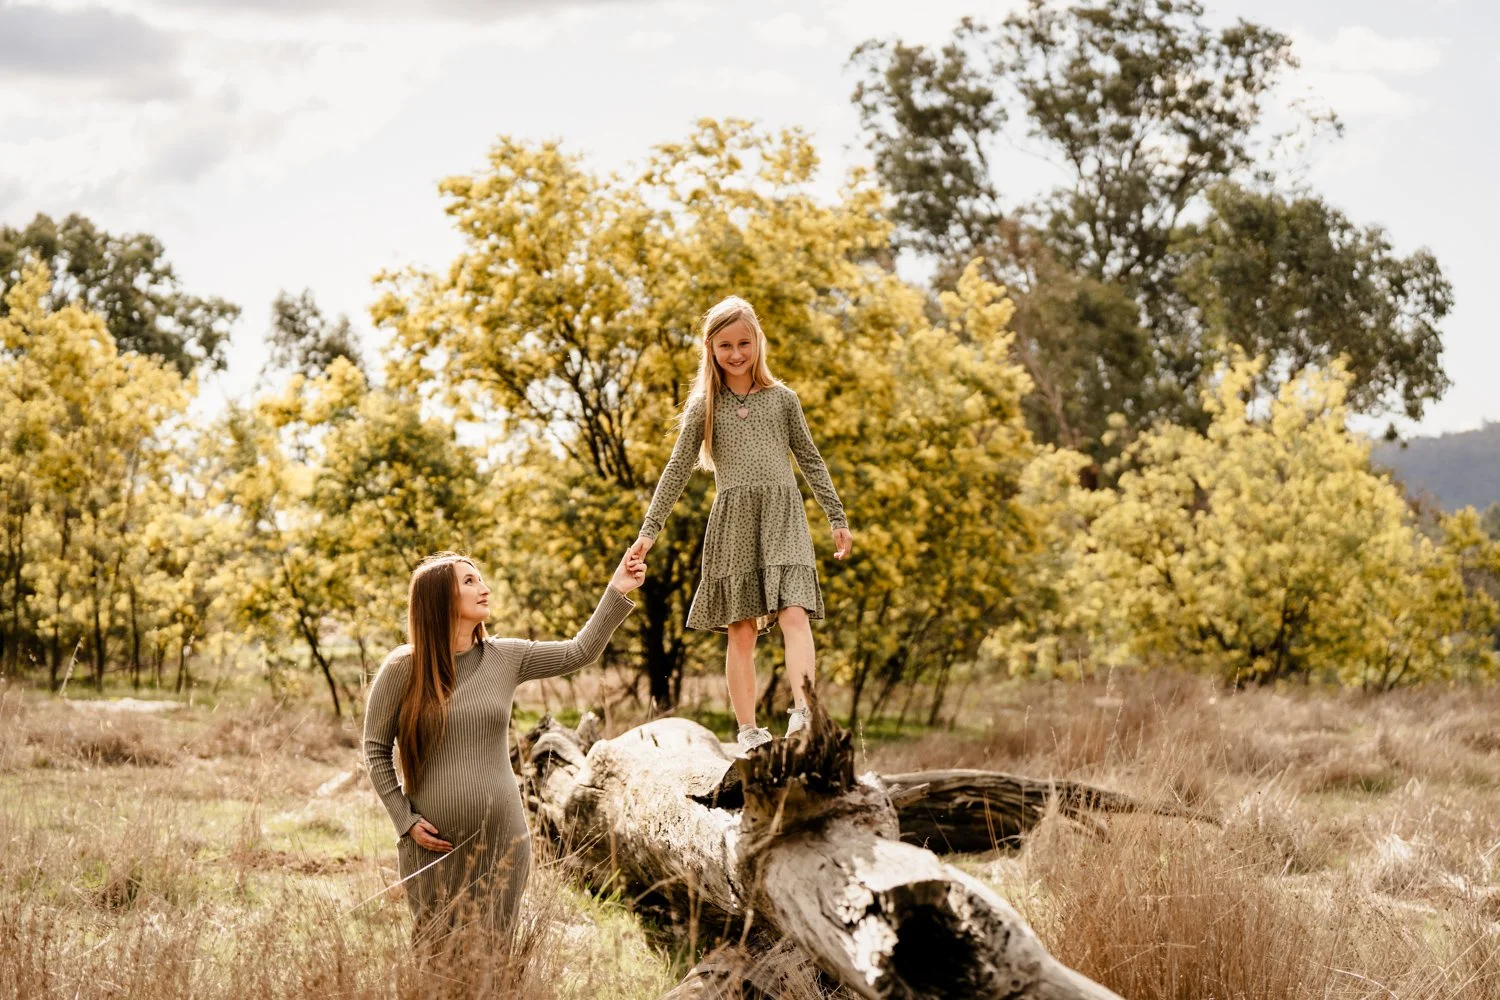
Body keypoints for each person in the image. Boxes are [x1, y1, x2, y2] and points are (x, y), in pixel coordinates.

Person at [362, 548, 644, 940]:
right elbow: (375, 749)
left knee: (497, 954)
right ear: (439, 598)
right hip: (434, 846)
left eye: (480, 578)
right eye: (470, 581)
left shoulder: (505, 656)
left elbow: (580, 651)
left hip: (504, 840)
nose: (485, 588)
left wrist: (618, 588)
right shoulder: (403, 667)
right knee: (435, 953)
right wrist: (404, 820)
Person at [627, 296, 852, 754]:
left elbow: (810, 459)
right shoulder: (704, 407)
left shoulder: (782, 400)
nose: (735, 354)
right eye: (725, 345)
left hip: (784, 516)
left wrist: (836, 516)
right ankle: (748, 731)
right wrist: (649, 531)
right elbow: (676, 469)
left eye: (744, 343)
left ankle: (804, 711)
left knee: (794, 612)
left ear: (758, 343)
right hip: (734, 523)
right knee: (742, 629)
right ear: (710, 348)